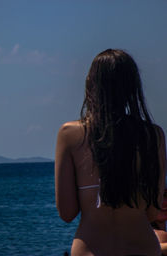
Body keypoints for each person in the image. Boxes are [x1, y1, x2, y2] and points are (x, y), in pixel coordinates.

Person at [55, 49, 166, 256]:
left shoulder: (69, 134)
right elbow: (152, 211)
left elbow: (67, 213)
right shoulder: (154, 136)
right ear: (132, 88)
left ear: (91, 84)